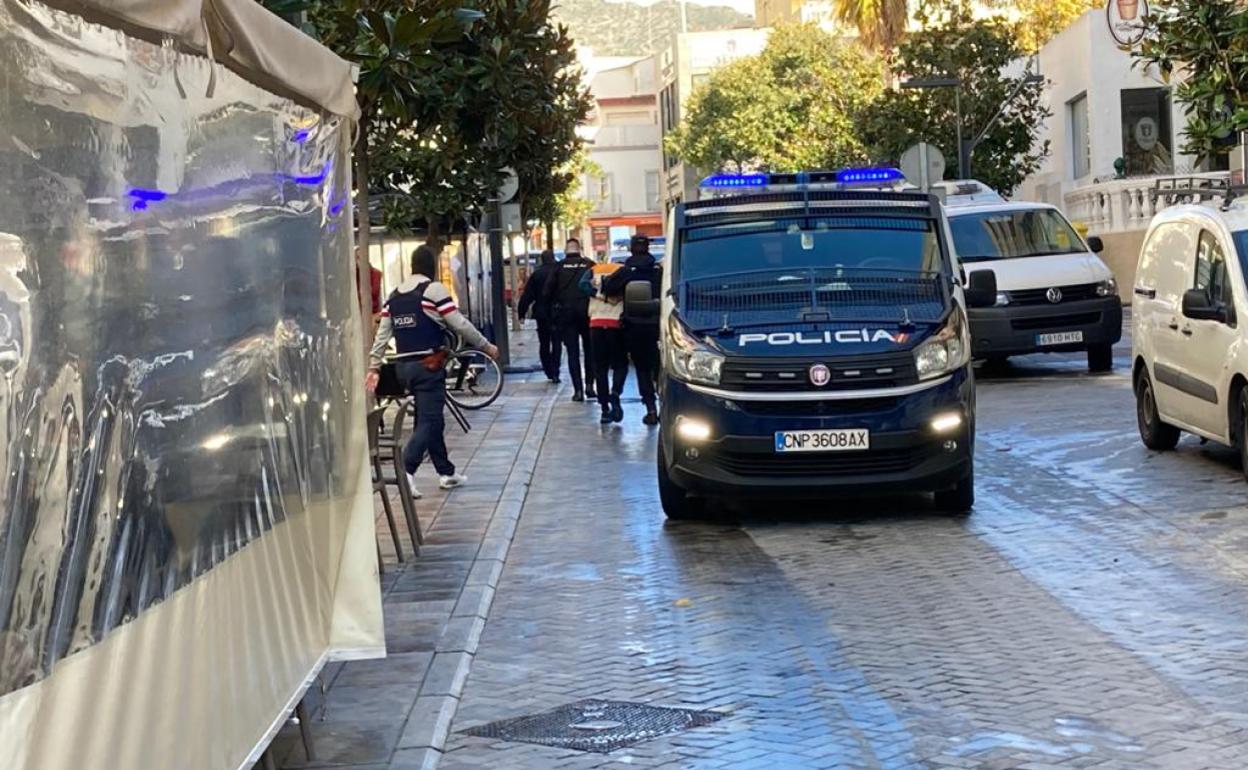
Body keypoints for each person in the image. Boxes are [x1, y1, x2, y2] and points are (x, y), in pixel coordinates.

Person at [366, 245, 499, 497]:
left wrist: (374, 365)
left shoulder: (393, 296)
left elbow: (382, 336)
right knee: (429, 420)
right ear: (433, 267)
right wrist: (486, 345)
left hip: (404, 369)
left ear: (411, 267)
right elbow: (459, 323)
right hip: (429, 365)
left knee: (431, 417)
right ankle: (406, 469)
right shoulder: (433, 290)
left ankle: (446, 472)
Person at [604, 234, 662, 425]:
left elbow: (608, 288)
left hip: (631, 325)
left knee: (640, 368)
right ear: (648, 248)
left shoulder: (626, 270)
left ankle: (650, 407)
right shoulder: (658, 271)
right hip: (657, 326)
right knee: (660, 368)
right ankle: (663, 406)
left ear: (630, 249)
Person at [544, 237, 595, 402]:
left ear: (566, 251)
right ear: (579, 249)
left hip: (566, 314)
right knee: (589, 350)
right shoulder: (589, 264)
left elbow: (547, 291)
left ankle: (578, 390)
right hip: (587, 313)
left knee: (572, 352)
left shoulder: (558, 267)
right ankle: (589, 385)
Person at [580, 254, 628, 423]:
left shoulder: (593, 271)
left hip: (596, 324)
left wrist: (597, 293)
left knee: (600, 368)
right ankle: (615, 393)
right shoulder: (623, 271)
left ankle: (604, 409)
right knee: (620, 364)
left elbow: (582, 285)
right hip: (616, 324)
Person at [516, 249, 561, 383]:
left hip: (542, 314)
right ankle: (556, 370)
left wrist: (521, 312)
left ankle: (548, 370)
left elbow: (527, 295)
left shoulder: (537, 274)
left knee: (544, 343)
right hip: (557, 312)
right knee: (557, 342)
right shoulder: (559, 272)